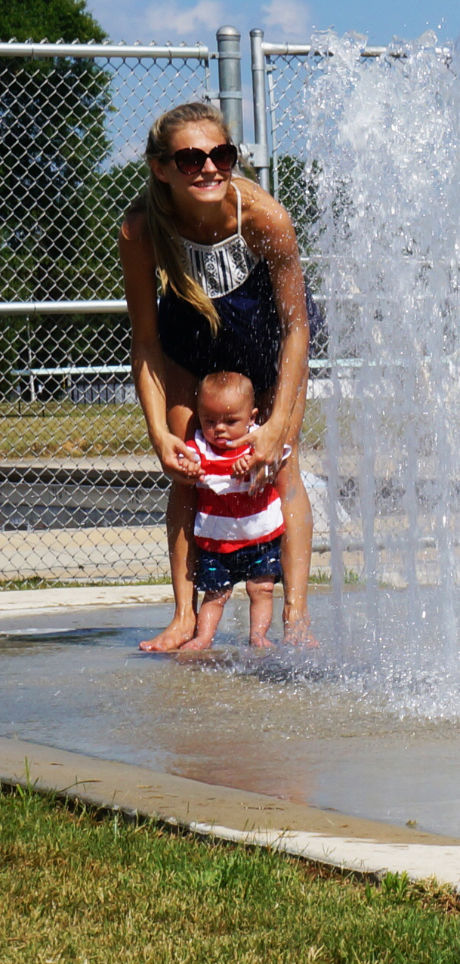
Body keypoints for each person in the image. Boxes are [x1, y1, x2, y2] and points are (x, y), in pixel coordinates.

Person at [118, 101, 320, 651]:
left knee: (283, 466)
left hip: (267, 336)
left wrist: (275, 426)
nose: (209, 168)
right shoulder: (142, 229)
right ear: (161, 168)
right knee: (187, 468)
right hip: (192, 337)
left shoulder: (263, 218)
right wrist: (158, 435)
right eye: (190, 159)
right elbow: (146, 341)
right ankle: (184, 616)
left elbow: (297, 327)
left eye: (221, 155)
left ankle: (295, 617)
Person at [182, 371, 287, 650]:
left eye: (230, 421)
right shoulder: (199, 447)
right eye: (210, 421)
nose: (219, 429)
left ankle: (258, 636)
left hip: (260, 537)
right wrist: (188, 467)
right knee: (215, 594)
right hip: (217, 541)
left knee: (262, 589)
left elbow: (276, 461)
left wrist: (255, 465)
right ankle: (204, 637)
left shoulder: (258, 442)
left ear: (251, 418)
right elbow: (185, 461)